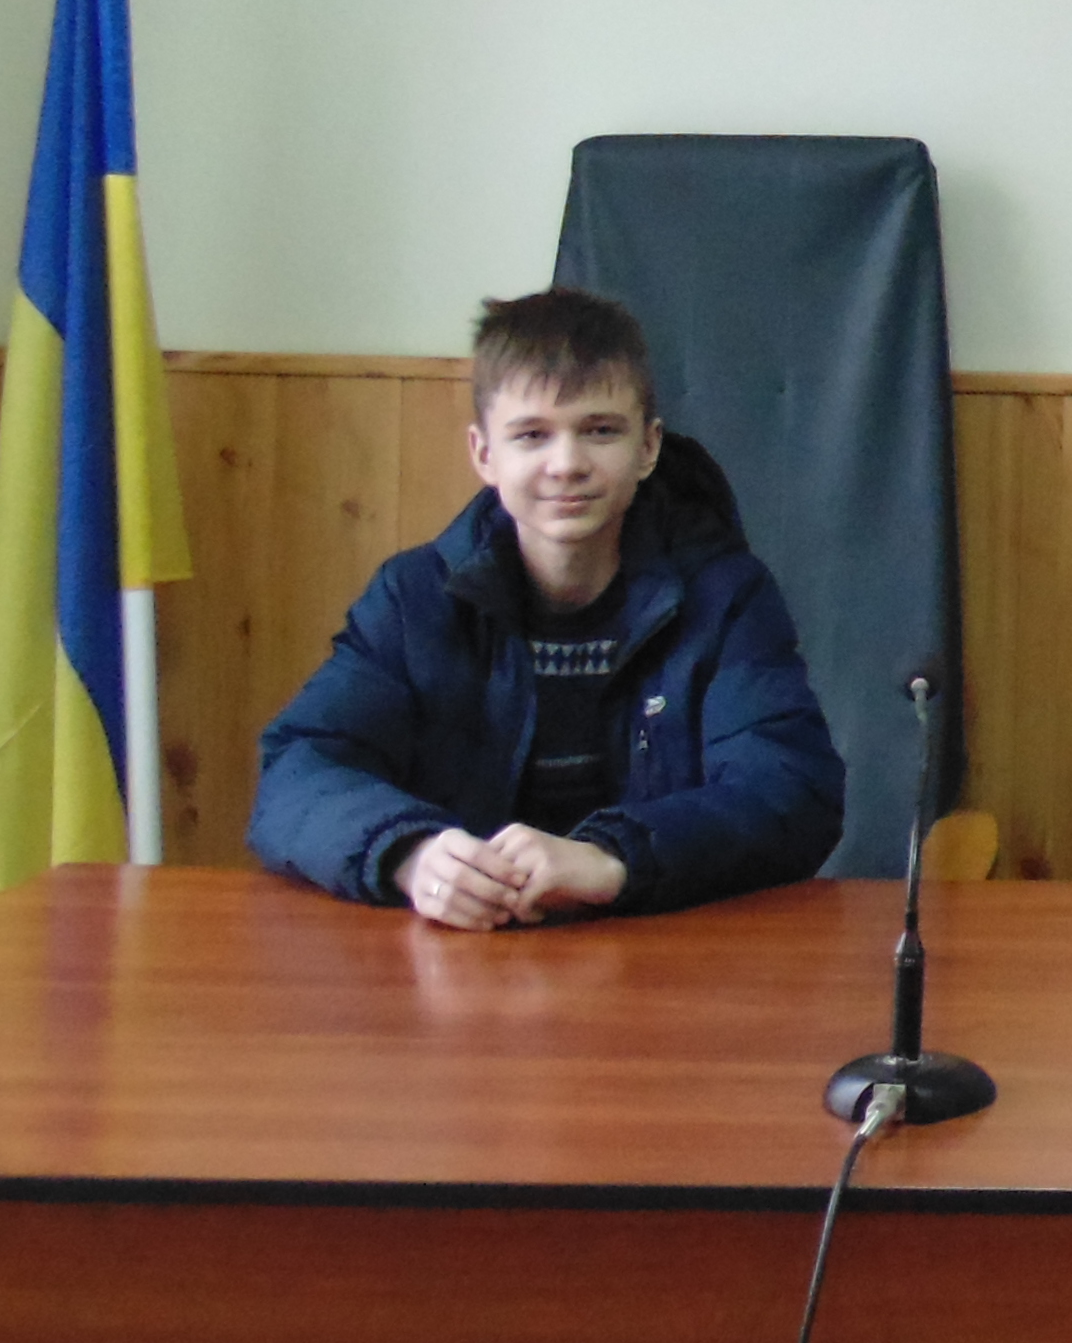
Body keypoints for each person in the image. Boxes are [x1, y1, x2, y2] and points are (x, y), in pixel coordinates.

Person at [251, 287, 846, 925]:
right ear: (485, 454)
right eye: (532, 435)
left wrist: (613, 858)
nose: (566, 464)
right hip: (464, 947)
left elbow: (792, 789)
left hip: (661, 946)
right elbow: (295, 771)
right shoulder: (412, 598)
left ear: (648, 448)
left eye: (600, 431)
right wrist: (410, 854)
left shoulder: (724, 595)